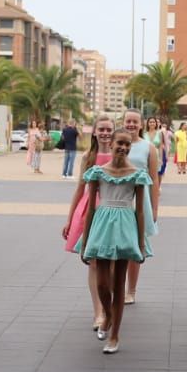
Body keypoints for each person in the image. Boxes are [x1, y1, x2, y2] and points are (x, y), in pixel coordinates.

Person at [77, 131, 150, 354]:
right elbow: (90, 208)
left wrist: (140, 243)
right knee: (102, 284)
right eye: (120, 143)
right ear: (112, 143)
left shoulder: (137, 174)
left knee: (119, 283)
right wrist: (85, 240)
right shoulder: (97, 173)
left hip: (125, 226)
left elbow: (139, 212)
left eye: (128, 144)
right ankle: (107, 315)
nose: (124, 147)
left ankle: (115, 334)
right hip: (102, 225)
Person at [63, 116, 117, 336]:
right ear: (94, 132)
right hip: (90, 211)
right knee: (94, 262)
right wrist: (69, 218)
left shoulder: (119, 155)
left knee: (112, 263)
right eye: (101, 129)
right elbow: (80, 188)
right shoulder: (88, 156)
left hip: (113, 211)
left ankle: (111, 307)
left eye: (108, 129)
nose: (104, 133)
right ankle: (99, 312)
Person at [121, 110, 161, 303]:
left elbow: (154, 179)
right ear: (122, 122)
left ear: (141, 124)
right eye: (128, 121)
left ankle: (131, 290)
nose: (131, 124)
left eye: (135, 121)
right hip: (119, 198)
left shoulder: (148, 147)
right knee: (117, 244)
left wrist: (154, 208)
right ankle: (117, 287)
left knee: (135, 246)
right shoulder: (117, 144)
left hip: (140, 201)